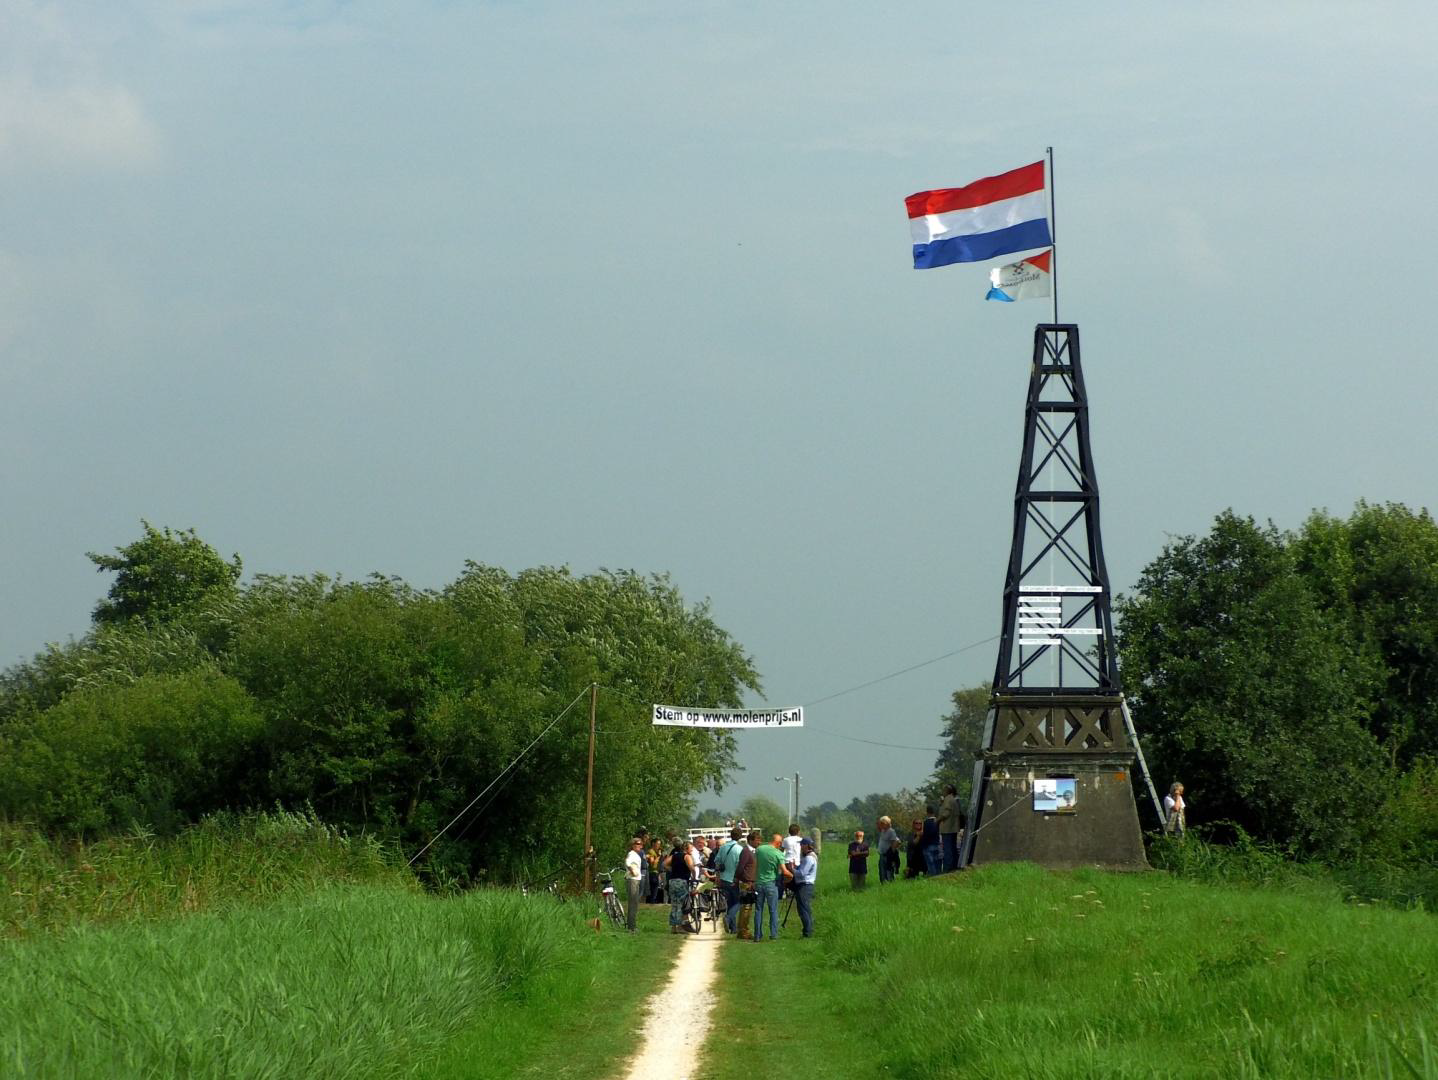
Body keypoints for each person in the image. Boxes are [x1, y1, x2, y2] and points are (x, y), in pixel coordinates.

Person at [753, 832, 791, 941]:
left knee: (758, 910)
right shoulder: (778, 854)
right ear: (778, 843)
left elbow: (755, 866)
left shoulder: (759, 849)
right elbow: (784, 871)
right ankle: (773, 934)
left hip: (759, 883)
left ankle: (757, 935)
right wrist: (792, 875)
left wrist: (754, 881)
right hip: (771, 883)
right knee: (773, 910)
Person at [714, 826, 744, 933]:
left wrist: (718, 876)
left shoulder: (723, 847)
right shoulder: (740, 849)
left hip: (723, 879)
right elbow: (740, 866)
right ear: (740, 837)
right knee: (738, 902)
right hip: (734, 879)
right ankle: (728, 918)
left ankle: (733, 928)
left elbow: (717, 862)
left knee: (730, 902)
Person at [664, 833, 694, 933]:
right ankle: (680, 926)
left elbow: (665, 864)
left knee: (674, 904)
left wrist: (672, 869)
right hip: (682, 881)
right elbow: (691, 867)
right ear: (686, 848)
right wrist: (693, 873)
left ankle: (673, 927)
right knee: (682, 904)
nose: (692, 850)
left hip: (672, 881)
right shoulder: (686, 856)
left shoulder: (674, 856)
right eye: (691, 848)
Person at [792, 836, 818, 938]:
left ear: (806, 846)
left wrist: (791, 869)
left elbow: (802, 873)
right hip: (806, 885)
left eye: (802, 844)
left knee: (803, 908)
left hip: (805, 885)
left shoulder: (809, 858)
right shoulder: (810, 857)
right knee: (805, 908)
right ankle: (808, 929)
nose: (800, 846)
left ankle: (807, 932)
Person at [735, 830, 758, 940]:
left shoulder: (753, 851)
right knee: (746, 908)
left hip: (751, 882)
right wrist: (741, 879)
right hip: (746, 883)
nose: (759, 843)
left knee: (747, 908)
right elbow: (740, 867)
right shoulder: (746, 851)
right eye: (757, 840)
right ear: (750, 840)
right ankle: (743, 931)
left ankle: (743, 929)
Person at [939, 785, 963, 873]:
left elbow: (946, 813)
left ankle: (947, 869)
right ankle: (954, 866)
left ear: (948, 791)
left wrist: (938, 820)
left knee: (947, 849)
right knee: (953, 848)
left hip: (947, 828)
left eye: (944, 790)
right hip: (953, 828)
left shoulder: (948, 799)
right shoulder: (954, 800)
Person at [623, 837, 644, 932]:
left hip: (635, 879)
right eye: (638, 844)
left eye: (641, 844)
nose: (640, 846)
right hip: (633, 879)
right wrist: (632, 871)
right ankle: (631, 927)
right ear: (633, 845)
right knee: (633, 903)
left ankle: (632, 925)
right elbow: (627, 863)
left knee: (634, 903)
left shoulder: (636, 854)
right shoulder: (631, 854)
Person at [780, 824, 803, 897]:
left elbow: (782, 850)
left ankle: (784, 891)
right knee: (795, 877)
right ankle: (795, 891)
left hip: (787, 861)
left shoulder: (786, 840)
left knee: (787, 877)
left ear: (789, 831)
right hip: (797, 861)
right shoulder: (800, 840)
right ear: (798, 831)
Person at [876, 816, 900, 884]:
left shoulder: (891, 831)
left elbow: (895, 842)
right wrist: (878, 823)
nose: (881, 824)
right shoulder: (883, 830)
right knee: (882, 872)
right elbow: (878, 827)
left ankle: (890, 884)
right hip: (882, 854)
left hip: (888, 855)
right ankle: (883, 884)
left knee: (889, 871)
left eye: (882, 823)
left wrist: (891, 853)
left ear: (887, 823)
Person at [920, 806, 942, 878]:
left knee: (931, 864)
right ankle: (939, 877)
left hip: (928, 846)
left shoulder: (926, 822)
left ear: (927, 812)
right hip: (937, 845)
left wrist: (923, 846)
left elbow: (925, 835)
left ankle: (933, 877)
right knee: (937, 863)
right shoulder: (938, 821)